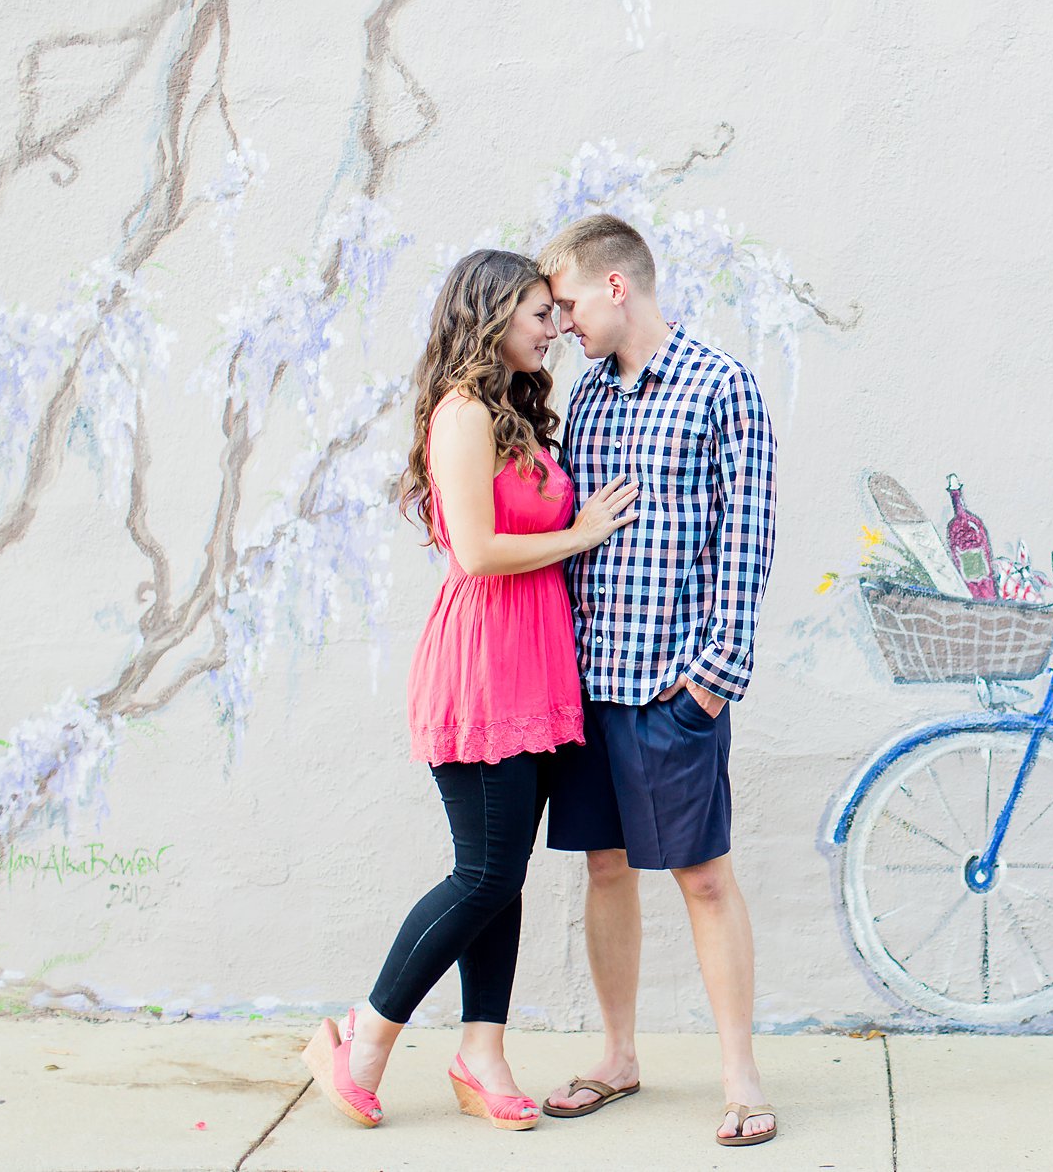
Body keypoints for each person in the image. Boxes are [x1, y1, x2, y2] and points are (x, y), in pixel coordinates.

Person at [302, 249, 640, 1132]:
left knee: (503, 874)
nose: (554, 327)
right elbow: (478, 553)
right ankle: (365, 1040)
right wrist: (583, 532)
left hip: (535, 662)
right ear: (491, 317)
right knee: (483, 871)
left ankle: (482, 1052)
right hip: (483, 661)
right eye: (538, 313)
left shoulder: (516, 414)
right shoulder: (461, 414)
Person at [534, 214, 780, 1148]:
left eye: (565, 305)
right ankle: (619, 1054)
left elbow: (747, 541)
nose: (559, 324)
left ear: (616, 286)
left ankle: (739, 1077)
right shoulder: (587, 398)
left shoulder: (724, 387)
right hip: (589, 683)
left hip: (675, 689)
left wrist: (710, 682)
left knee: (705, 880)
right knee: (604, 871)